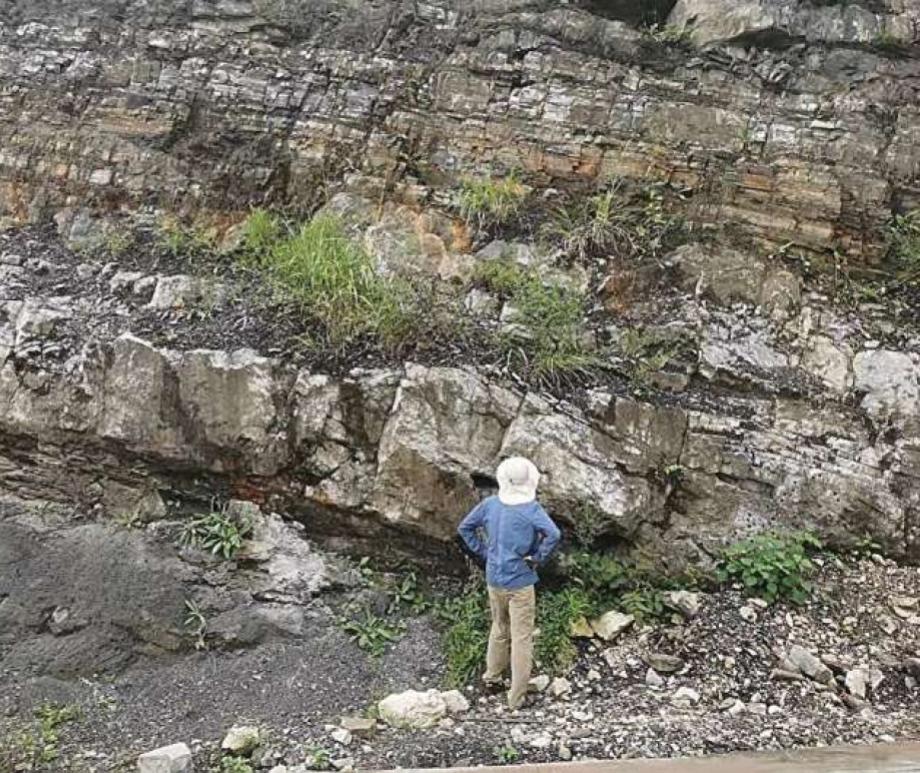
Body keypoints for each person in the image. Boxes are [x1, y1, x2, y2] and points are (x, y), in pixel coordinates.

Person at [457, 456, 561, 710]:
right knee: (521, 637)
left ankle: (492, 678)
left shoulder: (490, 504)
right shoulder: (532, 510)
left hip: (494, 577)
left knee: (499, 627)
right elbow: (554, 534)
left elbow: (465, 528)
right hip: (520, 580)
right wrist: (536, 558)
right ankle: (516, 698)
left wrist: (483, 553)